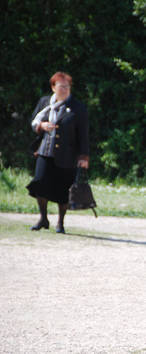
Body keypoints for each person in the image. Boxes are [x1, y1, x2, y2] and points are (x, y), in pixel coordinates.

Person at [26, 72, 90, 234]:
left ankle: (60, 223)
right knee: (40, 183)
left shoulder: (78, 108)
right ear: (53, 87)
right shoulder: (44, 102)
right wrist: (42, 126)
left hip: (68, 155)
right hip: (45, 151)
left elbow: (83, 134)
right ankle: (43, 218)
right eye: (61, 87)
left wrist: (83, 157)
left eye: (67, 87)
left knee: (63, 189)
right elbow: (34, 119)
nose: (64, 90)